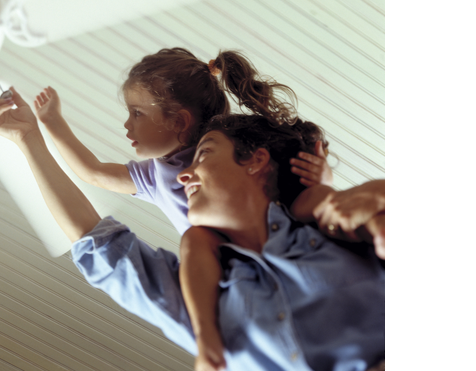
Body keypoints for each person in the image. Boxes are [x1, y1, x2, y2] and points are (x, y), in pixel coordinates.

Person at [0, 84, 385, 371]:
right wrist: (29, 138)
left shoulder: (337, 226)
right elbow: (95, 243)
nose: (185, 176)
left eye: (204, 155)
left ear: (255, 161)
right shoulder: (199, 303)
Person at [30, 48, 332, 369]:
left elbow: (291, 182)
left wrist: (322, 181)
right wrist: (51, 123)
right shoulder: (158, 177)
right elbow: (93, 172)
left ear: (180, 121)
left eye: (137, 113)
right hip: (229, 278)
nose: (127, 124)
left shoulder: (227, 154)